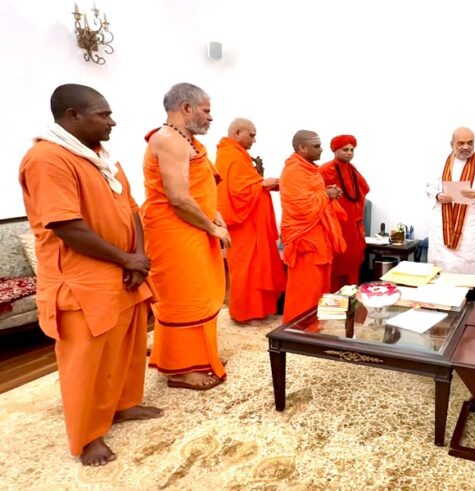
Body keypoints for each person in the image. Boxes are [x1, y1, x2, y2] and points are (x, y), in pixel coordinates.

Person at [18, 84, 162, 466]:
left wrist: (137, 256)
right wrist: (126, 259)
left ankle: (124, 404)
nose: (112, 121)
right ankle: (87, 436)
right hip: (80, 278)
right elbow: (66, 226)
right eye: (104, 114)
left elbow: (132, 210)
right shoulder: (47, 158)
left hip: (123, 270)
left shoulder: (102, 157)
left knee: (126, 346)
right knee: (86, 360)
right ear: (73, 116)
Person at [141, 83, 230, 390]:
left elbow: (198, 186)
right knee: (184, 298)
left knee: (202, 294)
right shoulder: (168, 139)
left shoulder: (186, 140)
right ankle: (179, 369)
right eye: (206, 110)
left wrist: (213, 214)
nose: (210, 117)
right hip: (174, 232)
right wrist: (212, 227)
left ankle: (200, 356)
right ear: (186, 108)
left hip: (194, 227)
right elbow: (178, 198)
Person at [215, 118, 285, 324]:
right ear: (237, 132)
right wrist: (262, 184)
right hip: (243, 225)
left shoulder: (239, 155)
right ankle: (244, 314)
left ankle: (260, 310)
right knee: (246, 269)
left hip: (253, 223)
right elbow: (236, 192)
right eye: (252, 135)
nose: (254, 140)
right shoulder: (229, 155)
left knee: (259, 268)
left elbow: (247, 184)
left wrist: (264, 183)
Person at [280, 130, 346, 322]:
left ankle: (313, 326)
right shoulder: (294, 171)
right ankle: (296, 327)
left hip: (319, 239)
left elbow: (311, 195)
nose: (321, 150)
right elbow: (301, 208)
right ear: (302, 147)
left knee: (318, 288)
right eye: (316, 146)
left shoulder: (309, 169)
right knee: (305, 289)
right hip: (305, 241)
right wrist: (326, 195)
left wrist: (326, 192)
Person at [426, 127, 475, 278]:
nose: (466, 147)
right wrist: (438, 195)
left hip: (471, 229)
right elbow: (429, 187)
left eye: (470, 143)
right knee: (441, 272)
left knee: (470, 274)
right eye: (461, 143)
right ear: (451, 144)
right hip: (443, 227)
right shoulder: (440, 162)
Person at [319, 135, 370, 291]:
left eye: (352, 150)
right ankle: (332, 298)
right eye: (345, 149)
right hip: (335, 224)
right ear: (335, 150)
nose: (349, 153)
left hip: (352, 225)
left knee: (352, 259)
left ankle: (351, 296)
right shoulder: (325, 170)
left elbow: (364, 189)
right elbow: (316, 195)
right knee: (336, 261)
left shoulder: (352, 170)